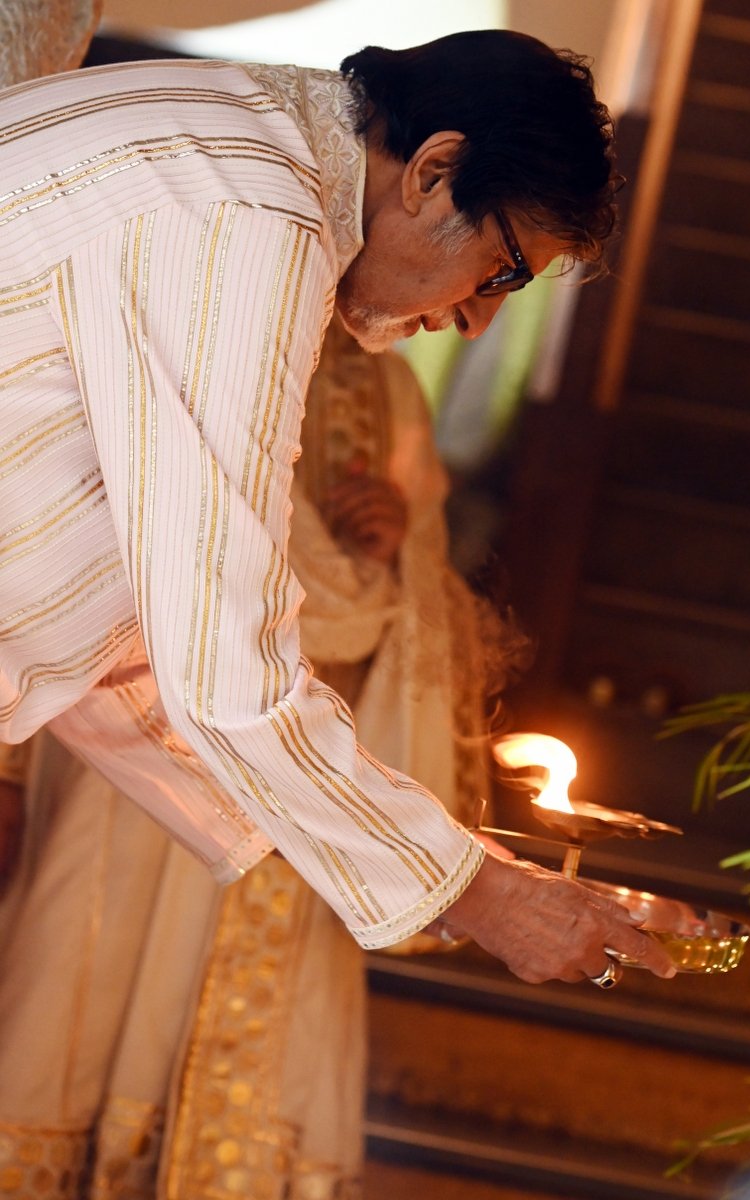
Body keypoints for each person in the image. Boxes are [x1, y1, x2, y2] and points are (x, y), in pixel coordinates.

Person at [0, 28, 675, 1007]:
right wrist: (477, 893)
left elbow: (143, 633)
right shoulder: (243, 212)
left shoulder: (232, 138)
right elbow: (219, 654)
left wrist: (441, 864)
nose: (474, 320)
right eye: (499, 273)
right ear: (435, 170)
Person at [0, 314, 493, 1197]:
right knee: (70, 1005)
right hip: (134, 749)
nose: (467, 315)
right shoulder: (197, 332)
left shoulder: (394, 394)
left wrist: (395, 544)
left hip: (303, 775)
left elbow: (413, 596)